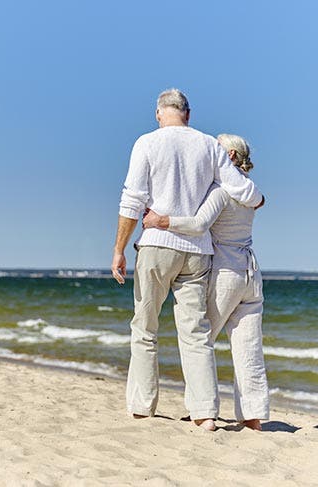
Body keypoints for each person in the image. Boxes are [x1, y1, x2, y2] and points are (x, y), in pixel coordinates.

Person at [112, 89, 263, 431]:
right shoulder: (209, 145)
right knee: (195, 334)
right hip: (198, 251)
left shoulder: (147, 143)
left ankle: (141, 406)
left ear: (158, 113)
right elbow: (240, 188)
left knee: (145, 327)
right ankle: (205, 414)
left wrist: (119, 248)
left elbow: (132, 199)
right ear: (188, 114)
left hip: (157, 245)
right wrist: (260, 198)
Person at [142, 133, 269, 431]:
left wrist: (162, 221)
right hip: (251, 272)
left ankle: (204, 412)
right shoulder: (249, 190)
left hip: (226, 273)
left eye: (218, 151)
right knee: (248, 348)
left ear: (232, 157)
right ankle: (252, 419)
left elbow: (199, 224)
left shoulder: (222, 190)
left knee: (199, 340)